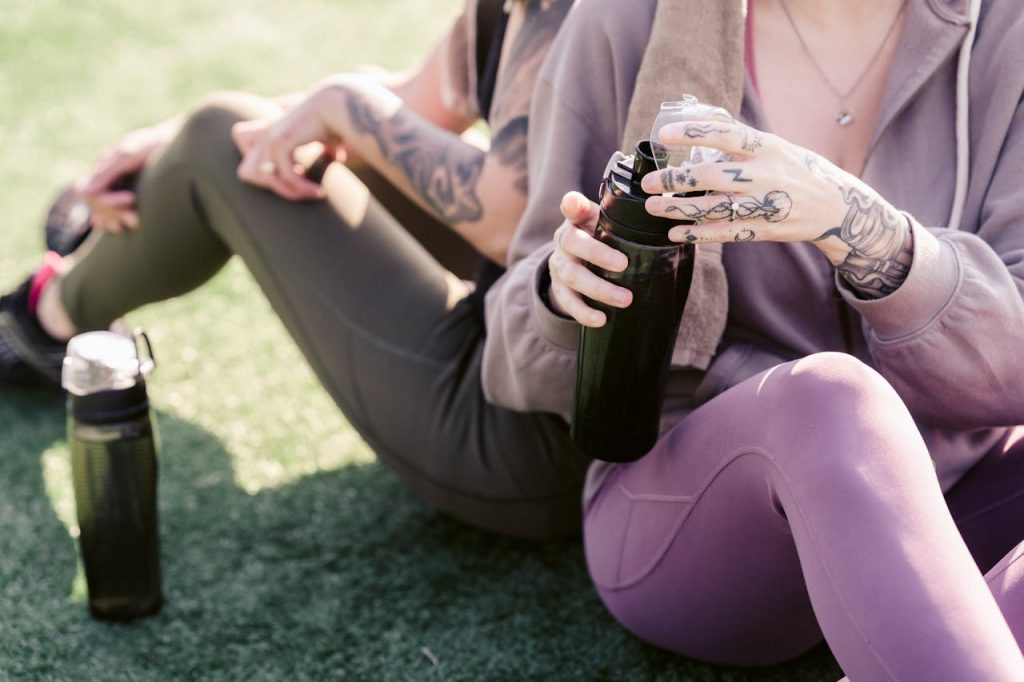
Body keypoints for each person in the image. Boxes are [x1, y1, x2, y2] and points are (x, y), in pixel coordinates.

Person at [480, 0, 1024, 678]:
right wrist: (566, 294)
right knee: (834, 400)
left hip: (961, 494)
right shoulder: (626, 19)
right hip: (700, 523)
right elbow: (511, 353)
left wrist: (859, 226)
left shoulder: (1009, 28)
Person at [0, 0, 588, 540]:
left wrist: (336, 105)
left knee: (220, 139)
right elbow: (416, 103)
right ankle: (109, 242)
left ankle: (43, 313)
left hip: (539, 441)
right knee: (268, 140)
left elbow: (515, 222)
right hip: (536, 349)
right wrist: (170, 139)